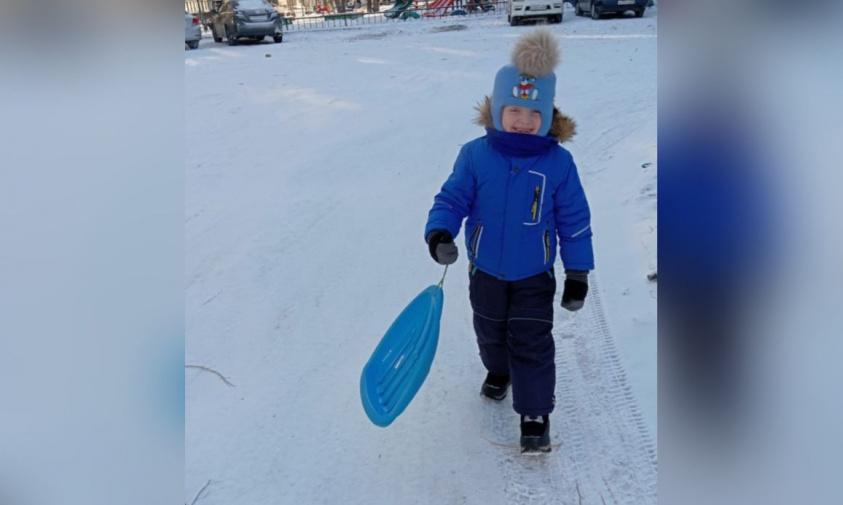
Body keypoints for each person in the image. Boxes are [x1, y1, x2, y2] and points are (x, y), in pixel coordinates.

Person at [424, 29, 594, 454]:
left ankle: (535, 413)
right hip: (485, 269)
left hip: (534, 274)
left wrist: (577, 272)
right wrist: (440, 232)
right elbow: (452, 197)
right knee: (489, 330)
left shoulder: (558, 163)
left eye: (533, 113)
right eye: (514, 110)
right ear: (498, 110)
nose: (523, 120)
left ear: (547, 116)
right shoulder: (475, 155)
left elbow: (574, 219)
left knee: (533, 341)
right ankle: (498, 370)